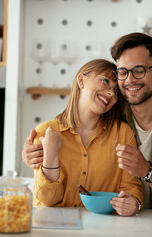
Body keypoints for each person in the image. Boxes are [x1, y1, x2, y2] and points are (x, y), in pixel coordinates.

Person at [23, 33, 152, 210]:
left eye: (139, 71)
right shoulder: (109, 108)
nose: (129, 80)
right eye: (123, 72)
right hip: (118, 221)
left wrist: (147, 172)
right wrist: (33, 153)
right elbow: (75, 123)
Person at [31, 59, 143, 217]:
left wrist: (134, 203)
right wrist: (51, 155)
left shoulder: (123, 134)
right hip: (51, 227)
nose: (111, 93)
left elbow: (131, 187)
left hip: (101, 228)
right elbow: (48, 200)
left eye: (116, 91)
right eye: (105, 81)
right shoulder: (45, 132)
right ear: (81, 80)